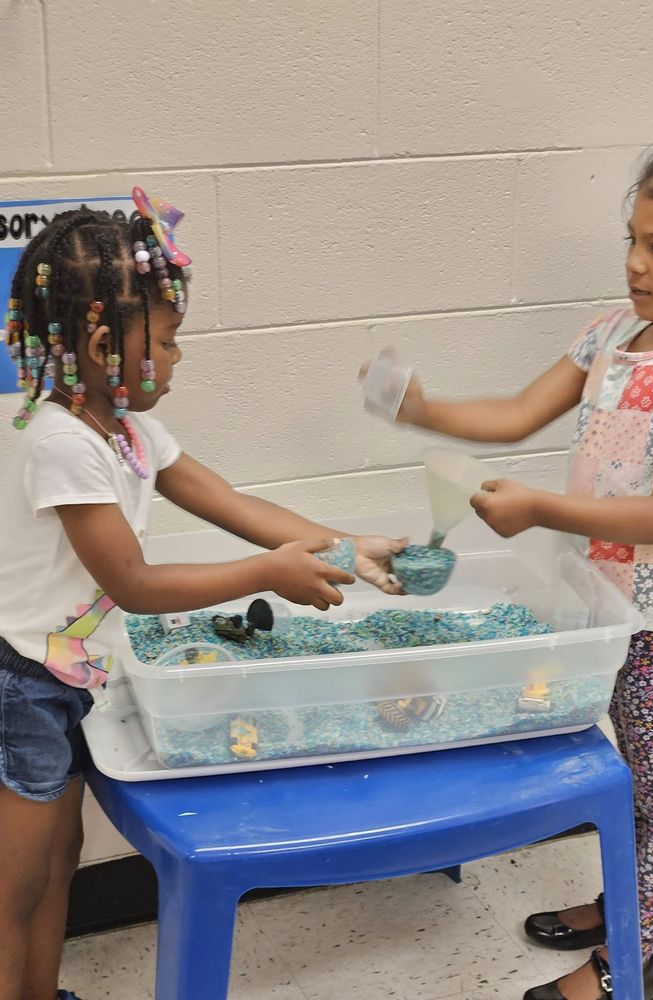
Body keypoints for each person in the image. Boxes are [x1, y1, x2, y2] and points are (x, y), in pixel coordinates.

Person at [365, 141, 653, 1000]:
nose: (635, 265)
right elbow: (514, 414)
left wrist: (540, 507)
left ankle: (625, 964)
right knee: (619, 771)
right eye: (632, 240)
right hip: (602, 608)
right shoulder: (615, 334)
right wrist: (419, 406)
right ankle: (623, 904)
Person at [0, 192, 405, 1000]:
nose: (181, 358)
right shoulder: (59, 441)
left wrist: (344, 545)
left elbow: (235, 504)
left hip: (70, 676)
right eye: (172, 339)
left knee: (58, 859)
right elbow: (133, 583)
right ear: (105, 341)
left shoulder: (132, 433)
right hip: (21, 684)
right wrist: (267, 574)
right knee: (14, 886)